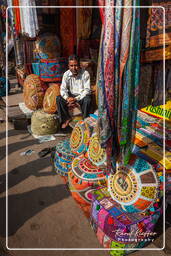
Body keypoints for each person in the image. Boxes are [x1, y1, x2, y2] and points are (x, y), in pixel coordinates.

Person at [56, 55, 91, 129]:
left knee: (87, 100)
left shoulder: (85, 74)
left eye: (76, 65)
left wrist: (76, 99)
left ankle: (85, 121)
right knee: (59, 98)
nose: (74, 68)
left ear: (79, 65)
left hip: (81, 96)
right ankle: (66, 119)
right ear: (68, 66)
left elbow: (87, 90)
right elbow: (63, 89)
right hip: (71, 95)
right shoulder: (66, 74)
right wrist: (67, 98)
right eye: (71, 66)